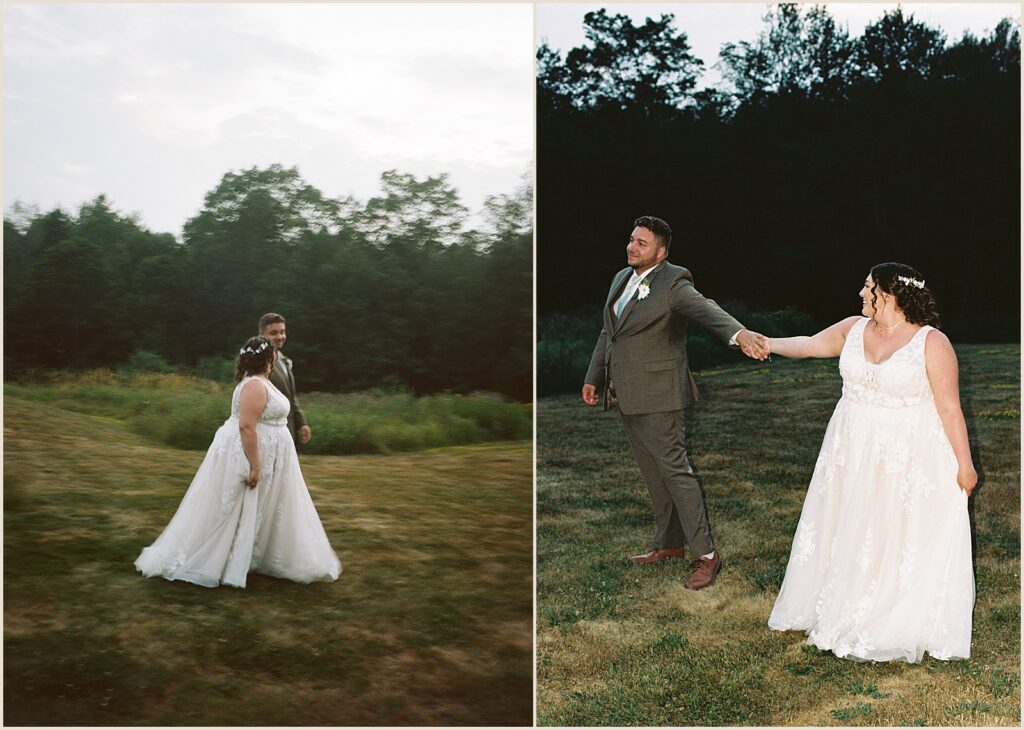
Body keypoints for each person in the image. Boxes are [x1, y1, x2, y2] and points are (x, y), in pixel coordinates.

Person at [767, 262, 976, 662]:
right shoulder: (853, 329)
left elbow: (950, 408)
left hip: (907, 454)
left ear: (892, 295)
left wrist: (965, 466)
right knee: (851, 523)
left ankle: (891, 609)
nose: (862, 295)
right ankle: (844, 599)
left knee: (893, 527)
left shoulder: (932, 343)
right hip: (850, 449)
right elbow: (809, 344)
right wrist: (767, 342)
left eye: (869, 288)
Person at [582, 215, 769, 590]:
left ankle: (707, 556)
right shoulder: (621, 278)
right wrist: (594, 376)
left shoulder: (674, 282)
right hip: (626, 393)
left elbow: (708, 310)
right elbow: (609, 331)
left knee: (677, 474)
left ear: (661, 251)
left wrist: (740, 334)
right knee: (653, 474)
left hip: (660, 395)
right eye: (632, 240)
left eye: (642, 243)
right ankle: (668, 545)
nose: (632, 247)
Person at [135, 336, 342, 588]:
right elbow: (246, 426)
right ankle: (222, 559)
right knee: (237, 504)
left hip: (273, 452)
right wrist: (255, 465)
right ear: (268, 358)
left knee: (262, 505)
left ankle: (253, 554)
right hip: (250, 452)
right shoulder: (254, 385)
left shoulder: (263, 381)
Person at [259, 312, 311, 445]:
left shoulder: (283, 359)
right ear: (262, 335)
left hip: (288, 429)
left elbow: (291, 396)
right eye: (274, 333)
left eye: (282, 332)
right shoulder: (259, 362)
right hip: (268, 431)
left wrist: (301, 423)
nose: (280, 337)